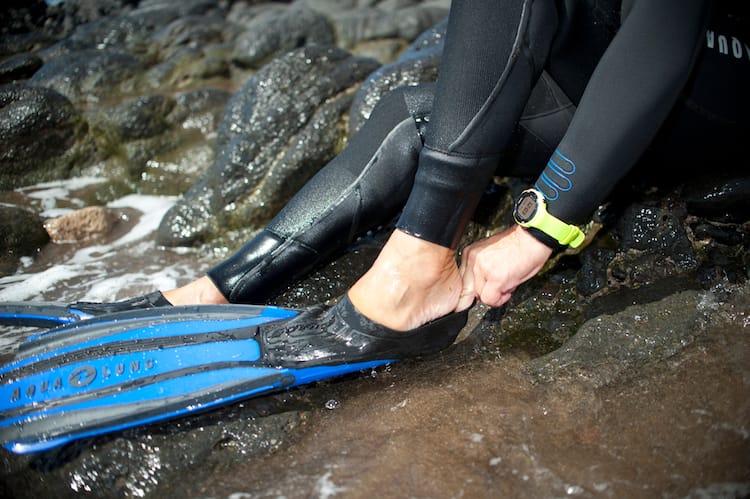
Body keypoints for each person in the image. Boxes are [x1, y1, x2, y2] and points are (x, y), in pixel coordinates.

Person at [73, 0, 744, 360]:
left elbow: (667, 22)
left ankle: (413, 276)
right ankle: (220, 289)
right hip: (613, 50)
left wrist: (541, 224)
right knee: (407, 118)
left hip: (714, 73)